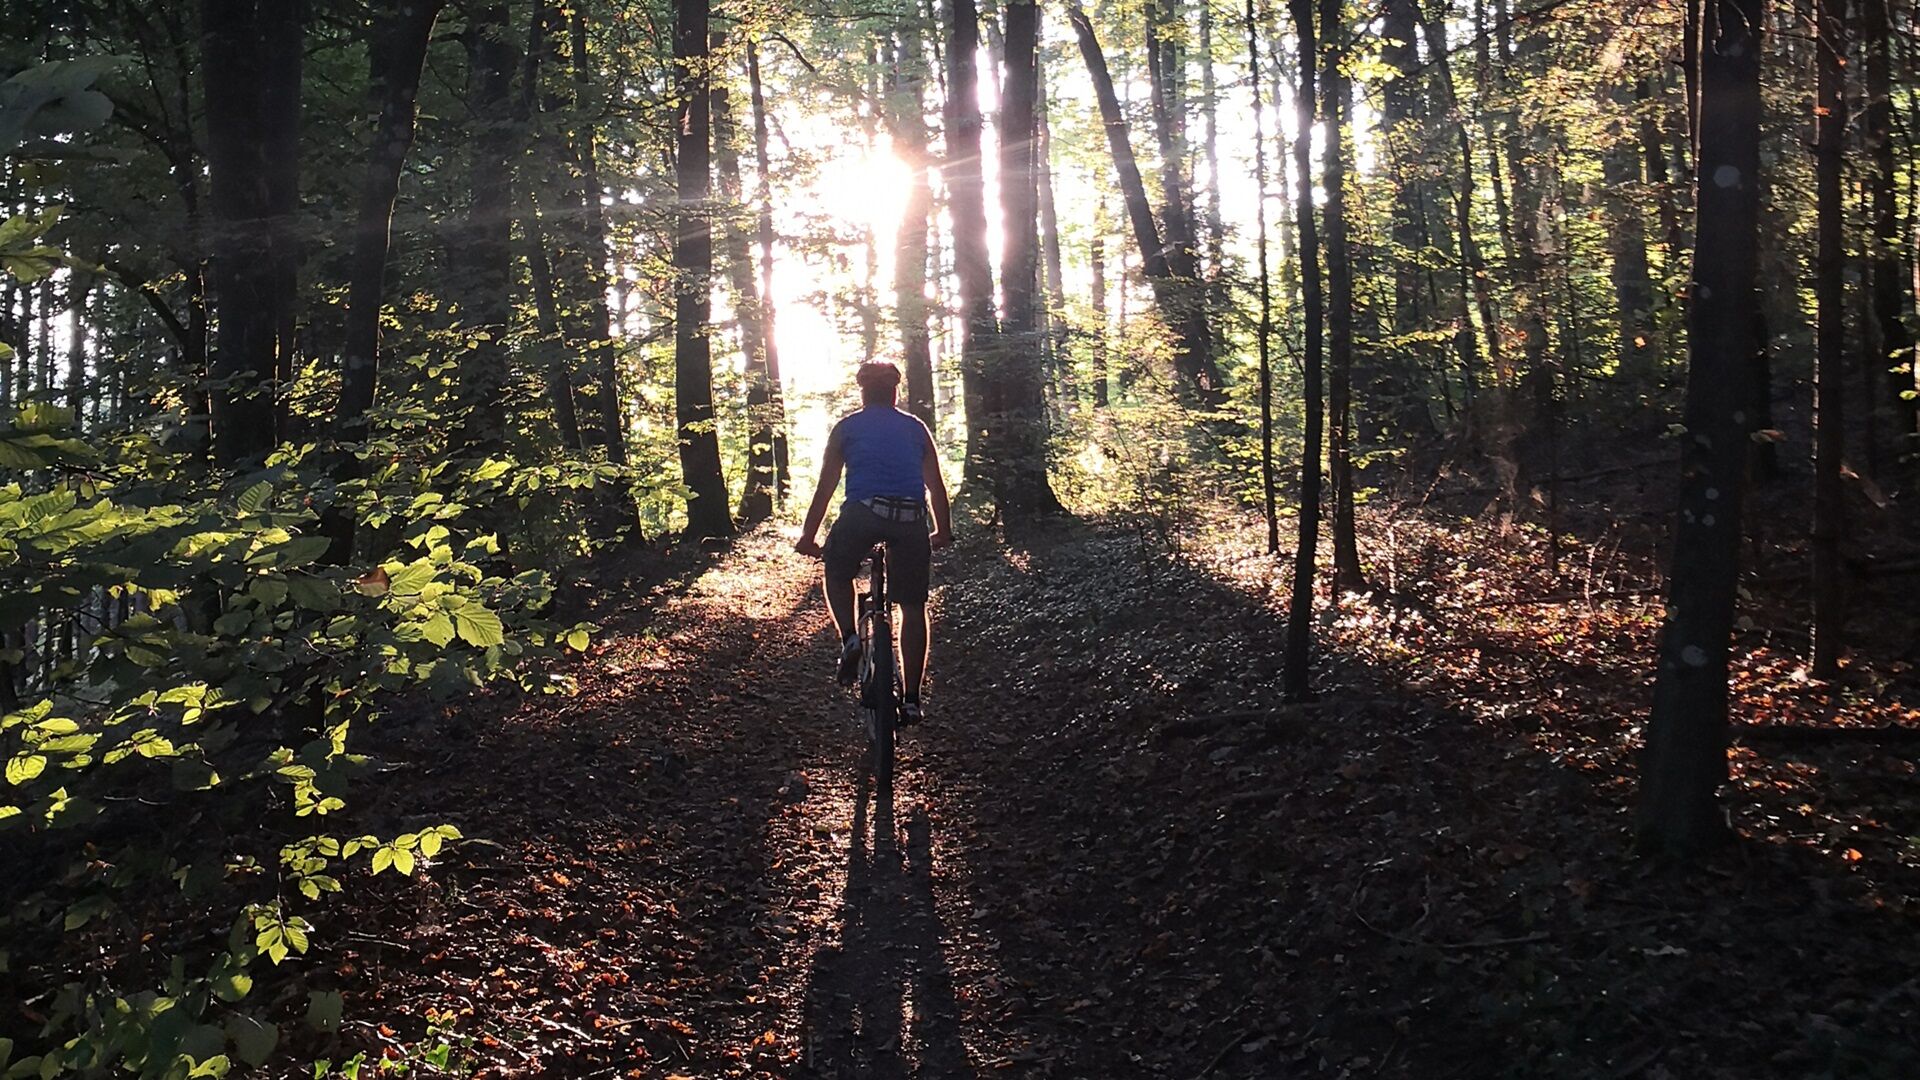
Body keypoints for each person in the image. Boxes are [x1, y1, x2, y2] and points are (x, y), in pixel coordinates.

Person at [794, 360, 951, 724]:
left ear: (862, 391)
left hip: (863, 513)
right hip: (911, 518)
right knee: (912, 607)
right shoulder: (916, 428)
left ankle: (850, 638)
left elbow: (826, 486)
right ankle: (911, 699)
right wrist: (942, 531)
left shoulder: (847, 428)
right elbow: (936, 488)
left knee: (836, 568)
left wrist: (809, 536)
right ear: (895, 391)